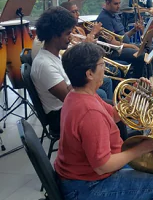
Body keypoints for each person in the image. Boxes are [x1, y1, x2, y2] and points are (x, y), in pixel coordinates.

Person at [56, 43, 153, 200]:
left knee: (147, 170)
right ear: (89, 74)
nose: (105, 67)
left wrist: (136, 95)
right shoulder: (90, 112)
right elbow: (103, 166)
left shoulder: (78, 94)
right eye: (102, 64)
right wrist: (140, 149)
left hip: (81, 178)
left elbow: (115, 114)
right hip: (86, 189)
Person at [31, 7, 108, 135]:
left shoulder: (55, 55)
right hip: (60, 115)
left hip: (68, 107)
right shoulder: (44, 64)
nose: (70, 37)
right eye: (67, 33)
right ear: (55, 36)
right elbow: (70, 98)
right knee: (106, 106)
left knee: (110, 105)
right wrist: (84, 60)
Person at [59, 1, 114, 100]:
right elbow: (78, 56)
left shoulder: (79, 30)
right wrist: (92, 34)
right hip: (82, 71)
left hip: (90, 65)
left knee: (108, 80)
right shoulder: (66, 36)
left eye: (77, 11)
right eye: (74, 12)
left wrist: (96, 37)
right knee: (108, 81)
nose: (78, 14)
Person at [96, 0, 146, 78]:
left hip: (123, 47)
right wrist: (131, 46)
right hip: (114, 52)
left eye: (119, 3)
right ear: (107, 3)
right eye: (115, 4)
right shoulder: (104, 18)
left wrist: (133, 30)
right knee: (141, 55)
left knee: (149, 49)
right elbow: (113, 43)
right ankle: (137, 81)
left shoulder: (115, 15)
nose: (118, 6)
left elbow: (122, 37)